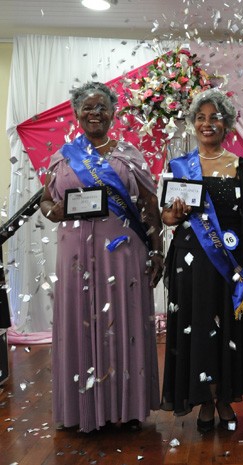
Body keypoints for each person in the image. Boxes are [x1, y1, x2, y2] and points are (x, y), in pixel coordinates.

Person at [40, 82, 163, 432]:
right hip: (75, 254)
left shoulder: (128, 154)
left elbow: (149, 205)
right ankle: (82, 410)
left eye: (102, 107)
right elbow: (45, 201)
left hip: (123, 253)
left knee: (123, 325)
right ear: (77, 113)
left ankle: (127, 408)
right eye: (87, 107)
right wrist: (56, 211)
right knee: (79, 324)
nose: (95, 113)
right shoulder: (62, 156)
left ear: (113, 113)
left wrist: (157, 251)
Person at [160, 89, 243, 433]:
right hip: (190, 263)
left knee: (228, 329)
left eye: (214, 117)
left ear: (227, 124)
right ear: (193, 124)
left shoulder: (241, 167)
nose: (207, 124)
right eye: (201, 117)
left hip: (231, 265)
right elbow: (166, 217)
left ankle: (224, 397)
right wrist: (173, 215)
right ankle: (203, 398)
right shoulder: (179, 165)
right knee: (199, 325)